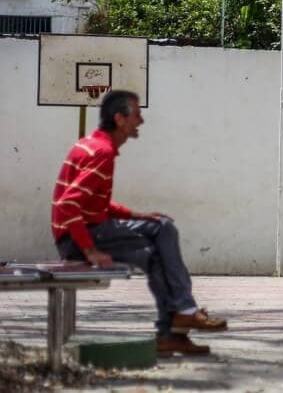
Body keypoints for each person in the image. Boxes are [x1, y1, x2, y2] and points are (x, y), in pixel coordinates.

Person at [51, 90, 228, 356]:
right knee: (158, 242)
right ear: (119, 119)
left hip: (87, 230)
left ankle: (176, 326)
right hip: (77, 239)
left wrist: (135, 215)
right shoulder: (102, 152)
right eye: (137, 115)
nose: (141, 121)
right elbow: (68, 204)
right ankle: (180, 318)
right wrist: (90, 251)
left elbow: (95, 204)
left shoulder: (94, 145)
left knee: (159, 234)